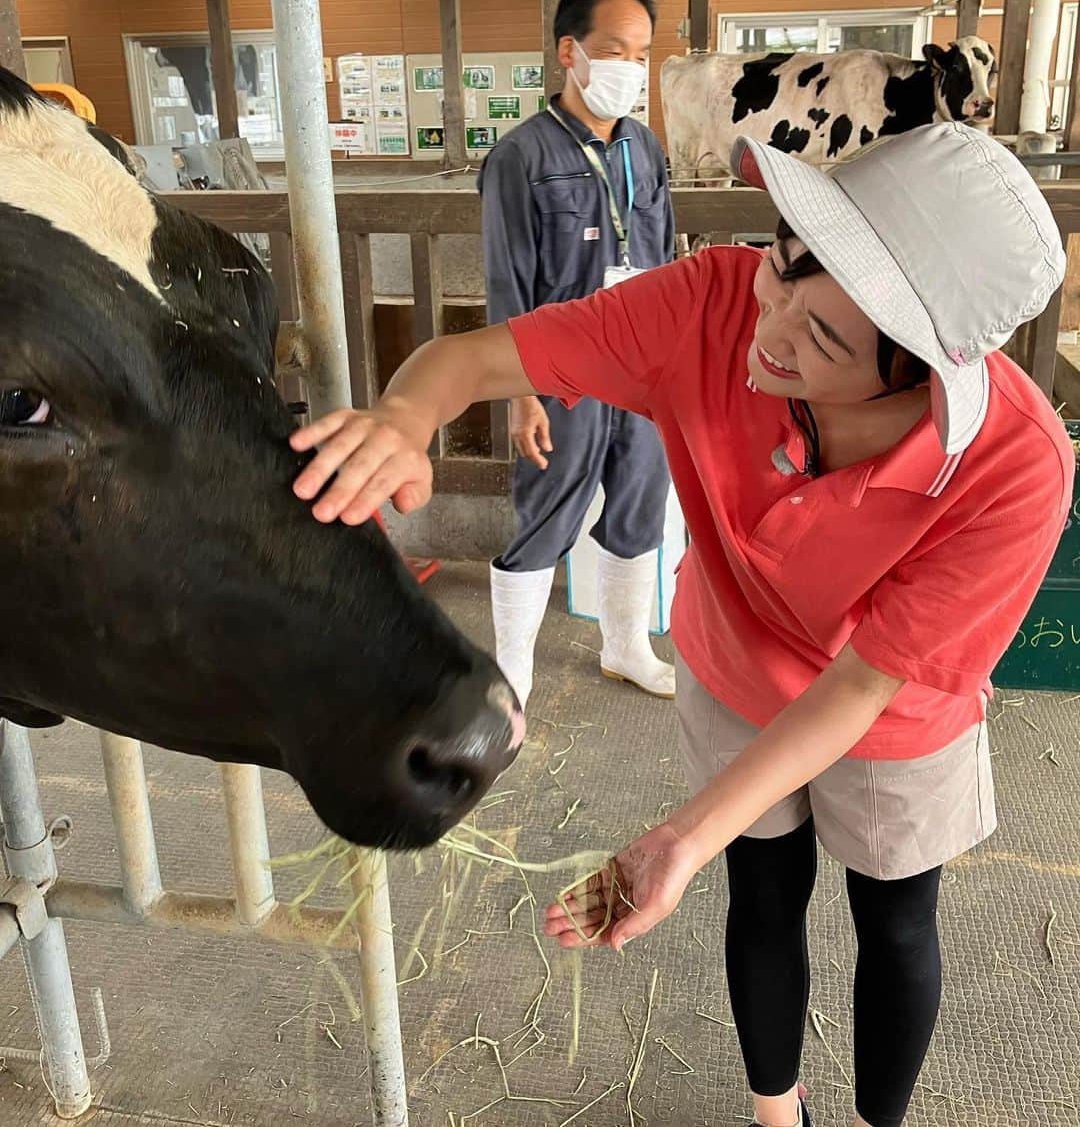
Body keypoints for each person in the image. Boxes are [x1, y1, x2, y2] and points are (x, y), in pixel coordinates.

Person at [291, 120, 1071, 1127]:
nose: (772, 323)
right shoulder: (710, 303)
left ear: (923, 372)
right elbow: (470, 360)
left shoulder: (1015, 470)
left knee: (898, 919)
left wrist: (680, 836)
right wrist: (400, 422)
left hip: (890, 715)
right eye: (785, 267)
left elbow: (866, 683)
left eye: (825, 336)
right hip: (737, 655)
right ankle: (774, 1111)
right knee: (761, 883)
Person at [477, 0, 677, 705]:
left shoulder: (644, 149)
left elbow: (665, 260)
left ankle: (627, 645)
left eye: (641, 54)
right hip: (560, 368)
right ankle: (512, 669)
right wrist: (519, 393)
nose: (630, 68)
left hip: (645, 366)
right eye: (615, 49)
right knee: (548, 506)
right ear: (571, 52)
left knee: (640, 501)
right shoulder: (521, 156)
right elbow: (507, 284)